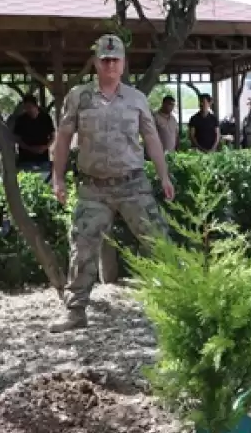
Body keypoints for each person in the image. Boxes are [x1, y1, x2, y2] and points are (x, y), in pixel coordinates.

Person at [49, 34, 175, 331]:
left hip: (133, 184)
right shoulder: (79, 96)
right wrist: (58, 178)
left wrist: (164, 176)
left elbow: (152, 138)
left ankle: (175, 305)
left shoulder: (137, 99)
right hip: (93, 188)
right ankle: (75, 310)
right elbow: (64, 138)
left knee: (158, 241)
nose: (110, 65)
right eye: (104, 60)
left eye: (115, 59)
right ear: (95, 62)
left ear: (123, 63)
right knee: (82, 247)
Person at [11, 93, 55, 170]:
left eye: (29, 107)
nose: (28, 110)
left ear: (36, 106)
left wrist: (45, 147)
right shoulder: (21, 120)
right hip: (25, 158)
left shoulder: (46, 118)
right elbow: (17, 138)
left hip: (43, 157)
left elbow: (53, 136)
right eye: (26, 107)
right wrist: (29, 148)